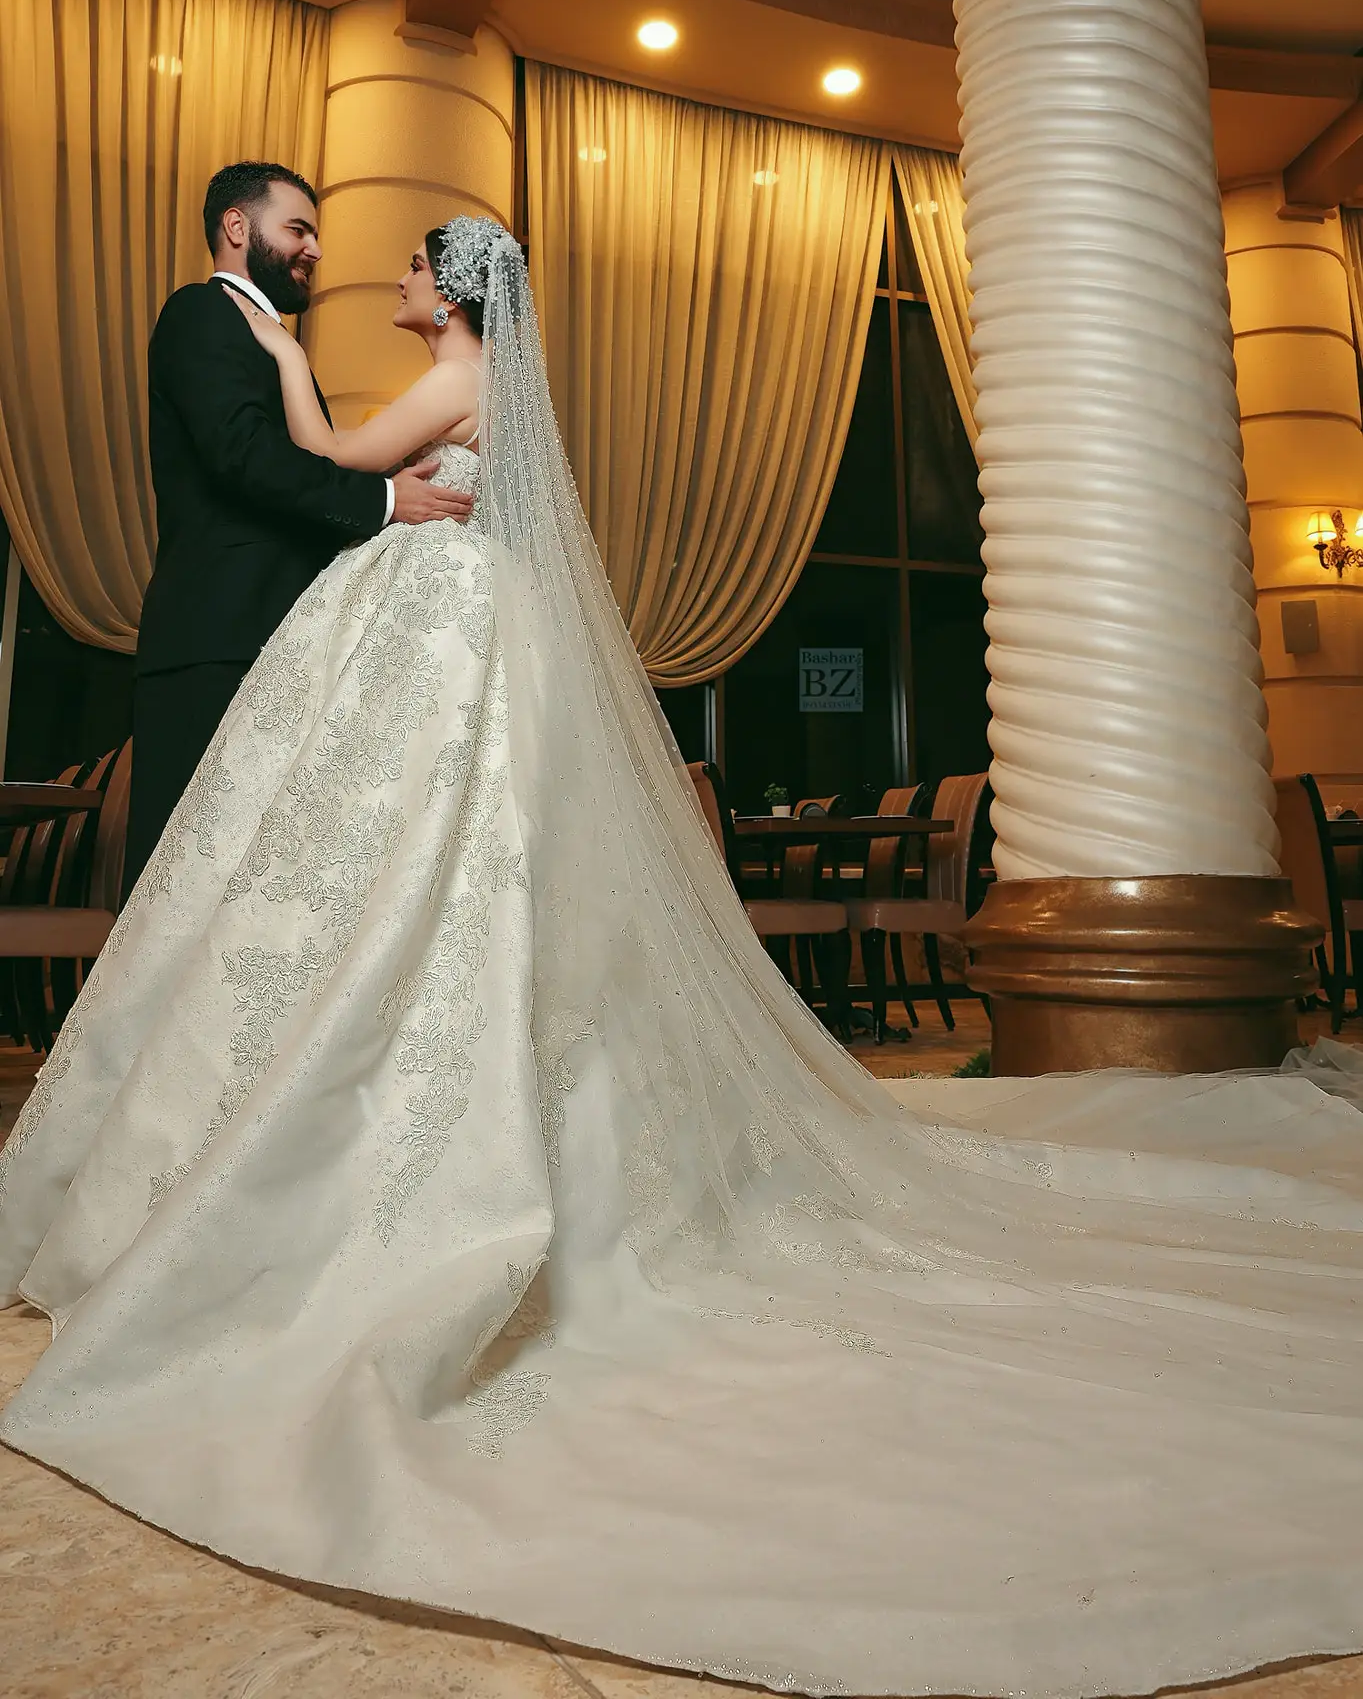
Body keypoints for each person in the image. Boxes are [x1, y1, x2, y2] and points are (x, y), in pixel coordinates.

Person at [2, 218, 1362, 1699]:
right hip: (456, 621)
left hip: (428, 627)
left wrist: (274, 354)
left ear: (449, 297)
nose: (381, 286)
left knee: (401, 868)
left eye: (402, 271)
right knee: (423, 871)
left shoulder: (460, 377)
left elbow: (334, 456)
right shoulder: (504, 397)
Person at [123, 161, 475, 896]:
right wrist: (384, 502)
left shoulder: (273, 341)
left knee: (248, 890)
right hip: (216, 638)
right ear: (237, 227)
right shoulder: (203, 312)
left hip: (268, 641)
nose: (315, 249)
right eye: (299, 229)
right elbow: (243, 458)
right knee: (182, 885)